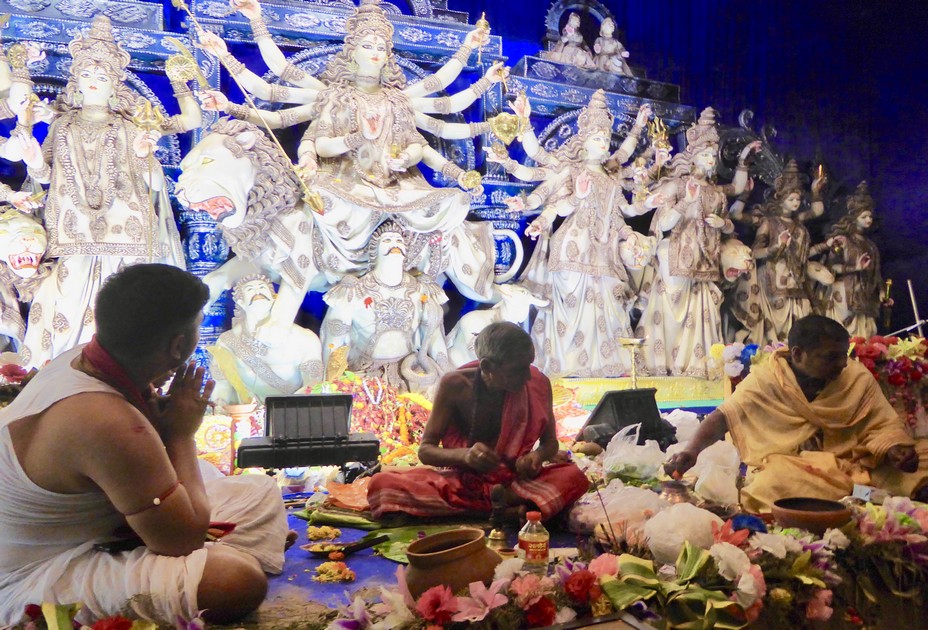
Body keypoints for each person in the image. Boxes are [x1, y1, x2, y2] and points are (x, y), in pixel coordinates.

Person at [0, 264, 288, 625]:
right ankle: (218, 561)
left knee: (258, 491)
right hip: (33, 574)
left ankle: (195, 560)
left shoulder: (81, 359)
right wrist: (181, 434)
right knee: (235, 582)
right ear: (179, 345)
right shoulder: (106, 420)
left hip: (98, 528)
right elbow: (183, 541)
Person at [196, 0, 504, 302]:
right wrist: (243, 43)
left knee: (448, 202)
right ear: (352, 51)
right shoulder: (334, 97)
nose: (375, 53)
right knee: (322, 203)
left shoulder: (399, 101)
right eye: (368, 46)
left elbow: (433, 126)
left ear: (389, 56)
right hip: (344, 183)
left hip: (396, 186)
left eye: (382, 48)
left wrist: (428, 163)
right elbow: (277, 95)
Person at [18, 15, 199, 367]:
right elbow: (44, 176)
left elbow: (154, 182)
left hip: (125, 231)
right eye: (87, 75)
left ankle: (127, 377)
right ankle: (58, 377)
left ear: (114, 84)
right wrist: (32, 158)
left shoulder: (129, 126)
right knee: (64, 304)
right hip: (74, 232)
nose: (94, 82)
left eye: (102, 77)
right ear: (77, 81)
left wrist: (146, 155)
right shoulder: (63, 123)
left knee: (127, 310)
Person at [665, 314, 928, 512]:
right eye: (830, 357)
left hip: (860, 463)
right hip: (806, 468)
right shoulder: (768, 378)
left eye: (843, 355)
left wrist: (894, 448)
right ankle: (868, 495)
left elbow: (881, 424)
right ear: (798, 354)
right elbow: (724, 415)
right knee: (772, 482)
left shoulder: (855, 377)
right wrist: (691, 452)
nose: (842, 364)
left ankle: (861, 493)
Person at [367, 321, 590, 522]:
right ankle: (504, 511)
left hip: (515, 483)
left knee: (574, 477)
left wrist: (536, 456)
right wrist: (465, 455)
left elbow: (550, 443)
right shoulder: (455, 385)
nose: (527, 376)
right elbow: (426, 451)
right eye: (518, 370)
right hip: (463, 483)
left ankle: (486, 509)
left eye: (529, 365)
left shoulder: (538, 382)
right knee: (382, 484)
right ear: (487, 368)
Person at [498, 90, 650, 377]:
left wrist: (629, 234)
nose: (603, 143)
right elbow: (543, 175)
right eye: (597, 137)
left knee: (609, 308)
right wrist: (524, 121)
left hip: (604, 252)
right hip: (573, 249)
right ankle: (566, 366)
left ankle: (604, 367)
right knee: (571, 306)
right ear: (583, 141)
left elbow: (619, 216)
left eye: (606, 138)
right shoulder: (571, 170)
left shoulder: (612, 181)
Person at [635, 108, 759, 377]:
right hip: (677, 256)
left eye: (713, 156)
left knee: (703, 312)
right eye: (706, 155)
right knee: (670, 311)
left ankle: (694, 364)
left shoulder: (715, 192)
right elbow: (663, 221)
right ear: (692, 157)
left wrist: (722, 224)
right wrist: (685, 203)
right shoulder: (678, 186)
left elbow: (729, 217)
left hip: (704, 259)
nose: (711, 161)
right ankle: (662, 364)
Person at [209, 274, 324, 406]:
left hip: (292, 411)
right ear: (240, 302)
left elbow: (313, 386)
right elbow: (222, 386)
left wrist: (287, 410)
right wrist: (219, 408)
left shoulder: (305, 338)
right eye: (250, 289)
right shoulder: (227, 342)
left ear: (274, 298)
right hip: (247, 414)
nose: (258, 291)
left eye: (263, 287)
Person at [751, 160, 826, 344]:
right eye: (791, 199)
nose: (796, 203)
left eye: (798, 200)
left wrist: (815, 191)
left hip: (797, 281)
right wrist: (777, 246)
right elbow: (755, 253)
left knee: (802, 322)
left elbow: (817, 211)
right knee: (776, 330)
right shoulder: (769, 223)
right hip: (773, 280)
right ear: (780, 198)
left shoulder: (798, 223)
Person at [816, 181, 888, 338]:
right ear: (854, 217)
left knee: (865, 339)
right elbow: (832, 267)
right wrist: (855, 268)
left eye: (870, 216)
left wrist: (882, 292)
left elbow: (876, 274)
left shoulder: (871, 246)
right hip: (844, 296)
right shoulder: (841, 241)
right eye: (864, 216)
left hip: (866, 297)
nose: (868, 220)